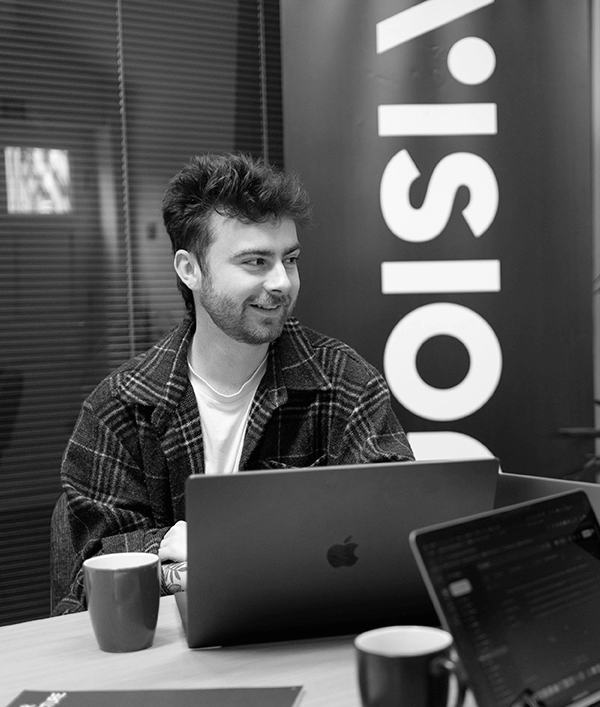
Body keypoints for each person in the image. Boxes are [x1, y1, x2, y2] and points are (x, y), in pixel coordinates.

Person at [54, 153, 413, 614]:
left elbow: (389, 537)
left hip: (302, 643)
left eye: (291, 259)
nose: (282, 282)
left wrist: (202, 553)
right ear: (190, 270)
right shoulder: (121, 407)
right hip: (167, 663)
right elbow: (90, 581)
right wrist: (284, 553)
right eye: (255, 261)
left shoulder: (345, 385)